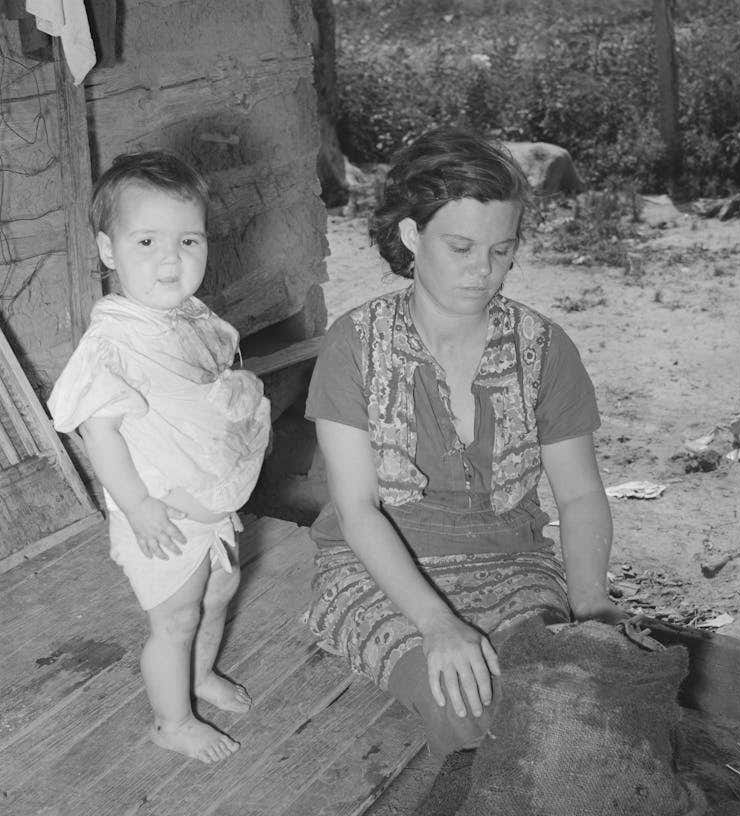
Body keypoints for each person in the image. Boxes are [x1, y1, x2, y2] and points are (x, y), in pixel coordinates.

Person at [304, 126, 625, 759]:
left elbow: (582, 495)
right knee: (466, 707)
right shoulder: (355, 345)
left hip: (510, 560)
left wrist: (589, 609)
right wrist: (436, 623)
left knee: (573, 692)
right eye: (460, 247)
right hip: (378, 567)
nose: (484, 272)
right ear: (409, 237)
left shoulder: (542, 348)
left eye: (502, 251)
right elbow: (357, 508)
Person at [48, 150, 271, 764]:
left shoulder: (191, 318)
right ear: (107, 250)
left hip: (206, 500)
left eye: (188, 239)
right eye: (146, 240)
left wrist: (239, 398)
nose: (171, 258)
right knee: (174, 618)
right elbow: (102, 435)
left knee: (221, 592)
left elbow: (204, 393)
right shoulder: (112, 345)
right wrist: (139, 506)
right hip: (160, 512)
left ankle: (198, 679)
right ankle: (171, 722)